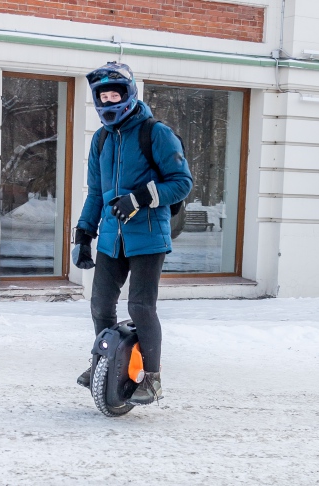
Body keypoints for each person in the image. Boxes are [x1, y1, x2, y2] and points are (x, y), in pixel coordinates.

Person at [73, 62, 193, 405]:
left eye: (116, 94)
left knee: (141, 306)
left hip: (149, 236)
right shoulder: (100, 139)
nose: (110, 101)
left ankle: (152, 380)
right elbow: (96, 193)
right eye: (104, 95)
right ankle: (101, 362)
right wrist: (83, 234)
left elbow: (182, 183)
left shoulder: (155, 133)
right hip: (112, 237)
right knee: (99, 305)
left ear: (130, 94)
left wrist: (141, 198)